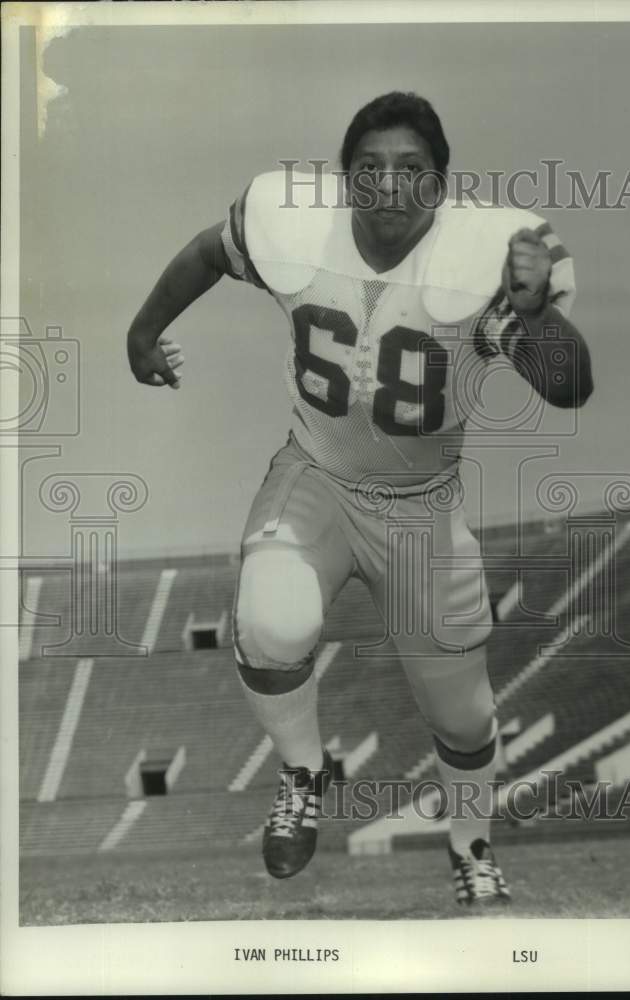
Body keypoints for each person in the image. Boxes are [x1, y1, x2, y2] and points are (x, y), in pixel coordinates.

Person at [127, 91, 593, 907]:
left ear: (441, 186)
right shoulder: (290, 222)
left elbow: (570, 386)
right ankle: (305, 772)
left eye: (411, 170)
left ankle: (470, 846)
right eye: (369, 168)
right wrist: (142, 330)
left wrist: (532, 316)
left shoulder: (490, 254)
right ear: (345, 181)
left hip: (423, 506)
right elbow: (209, 252)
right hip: (316, 476)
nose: (388, 185)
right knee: (271, 621)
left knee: (462, 715)